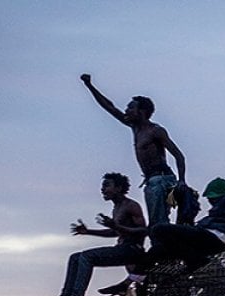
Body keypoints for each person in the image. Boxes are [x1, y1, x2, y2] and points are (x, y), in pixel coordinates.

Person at [98, 177, 225, 295]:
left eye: (212, 198)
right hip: (205, 238)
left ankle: (195, 261)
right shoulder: (213, 214)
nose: (211, 201)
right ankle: (128, 282)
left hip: (216, 238)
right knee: (159, 248)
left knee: (160, 229)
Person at [80, 73, 187, 226]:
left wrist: (182, 180)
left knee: (158, 222)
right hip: (151, 180)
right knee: (157, 221)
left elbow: (179, 155)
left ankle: (164, 246)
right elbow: (110, 107)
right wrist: (90, 86)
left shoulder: (155, 131)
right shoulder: (135, 128)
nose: (126, 111)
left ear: (141, 112)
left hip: (161, 179)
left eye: (130, 108)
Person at [42, 173, 147, 296]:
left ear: (119, 188)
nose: (102, 189)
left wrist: (116, 226)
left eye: (106, 185)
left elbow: (143, 230)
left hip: (133, 250)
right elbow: (115, 232)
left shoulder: (131, 206)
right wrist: (88, 231)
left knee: (87, 257)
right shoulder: (116, 208)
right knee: (75, 257)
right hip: (121, 248)